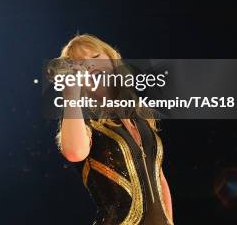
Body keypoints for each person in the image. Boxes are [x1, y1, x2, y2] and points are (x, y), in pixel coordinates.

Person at [55, 34, 173, 225]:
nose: (90, 65)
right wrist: (71, 93)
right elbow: (75, 152)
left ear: (111, 60)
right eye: (81, 63)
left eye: (95, 57)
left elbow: (157, 174)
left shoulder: (138, 113)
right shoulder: (81, 116)